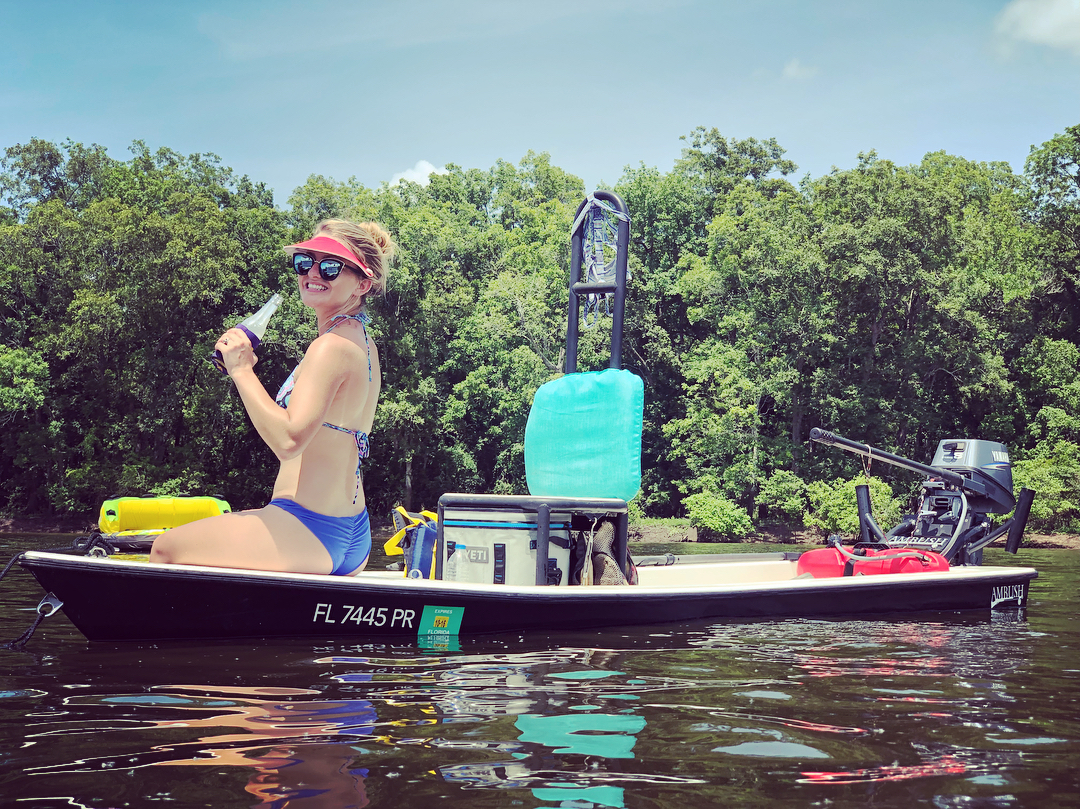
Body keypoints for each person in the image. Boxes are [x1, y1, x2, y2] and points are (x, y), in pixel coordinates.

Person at [150, 219, 395, 576]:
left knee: (166, 549)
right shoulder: (362, 342)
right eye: (304, 262)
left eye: (330, 266)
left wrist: (241, 371)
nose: (313, 272)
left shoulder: (330, 347)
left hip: (309, 528)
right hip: (352, 532)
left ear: (362, 283)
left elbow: (289, 440)